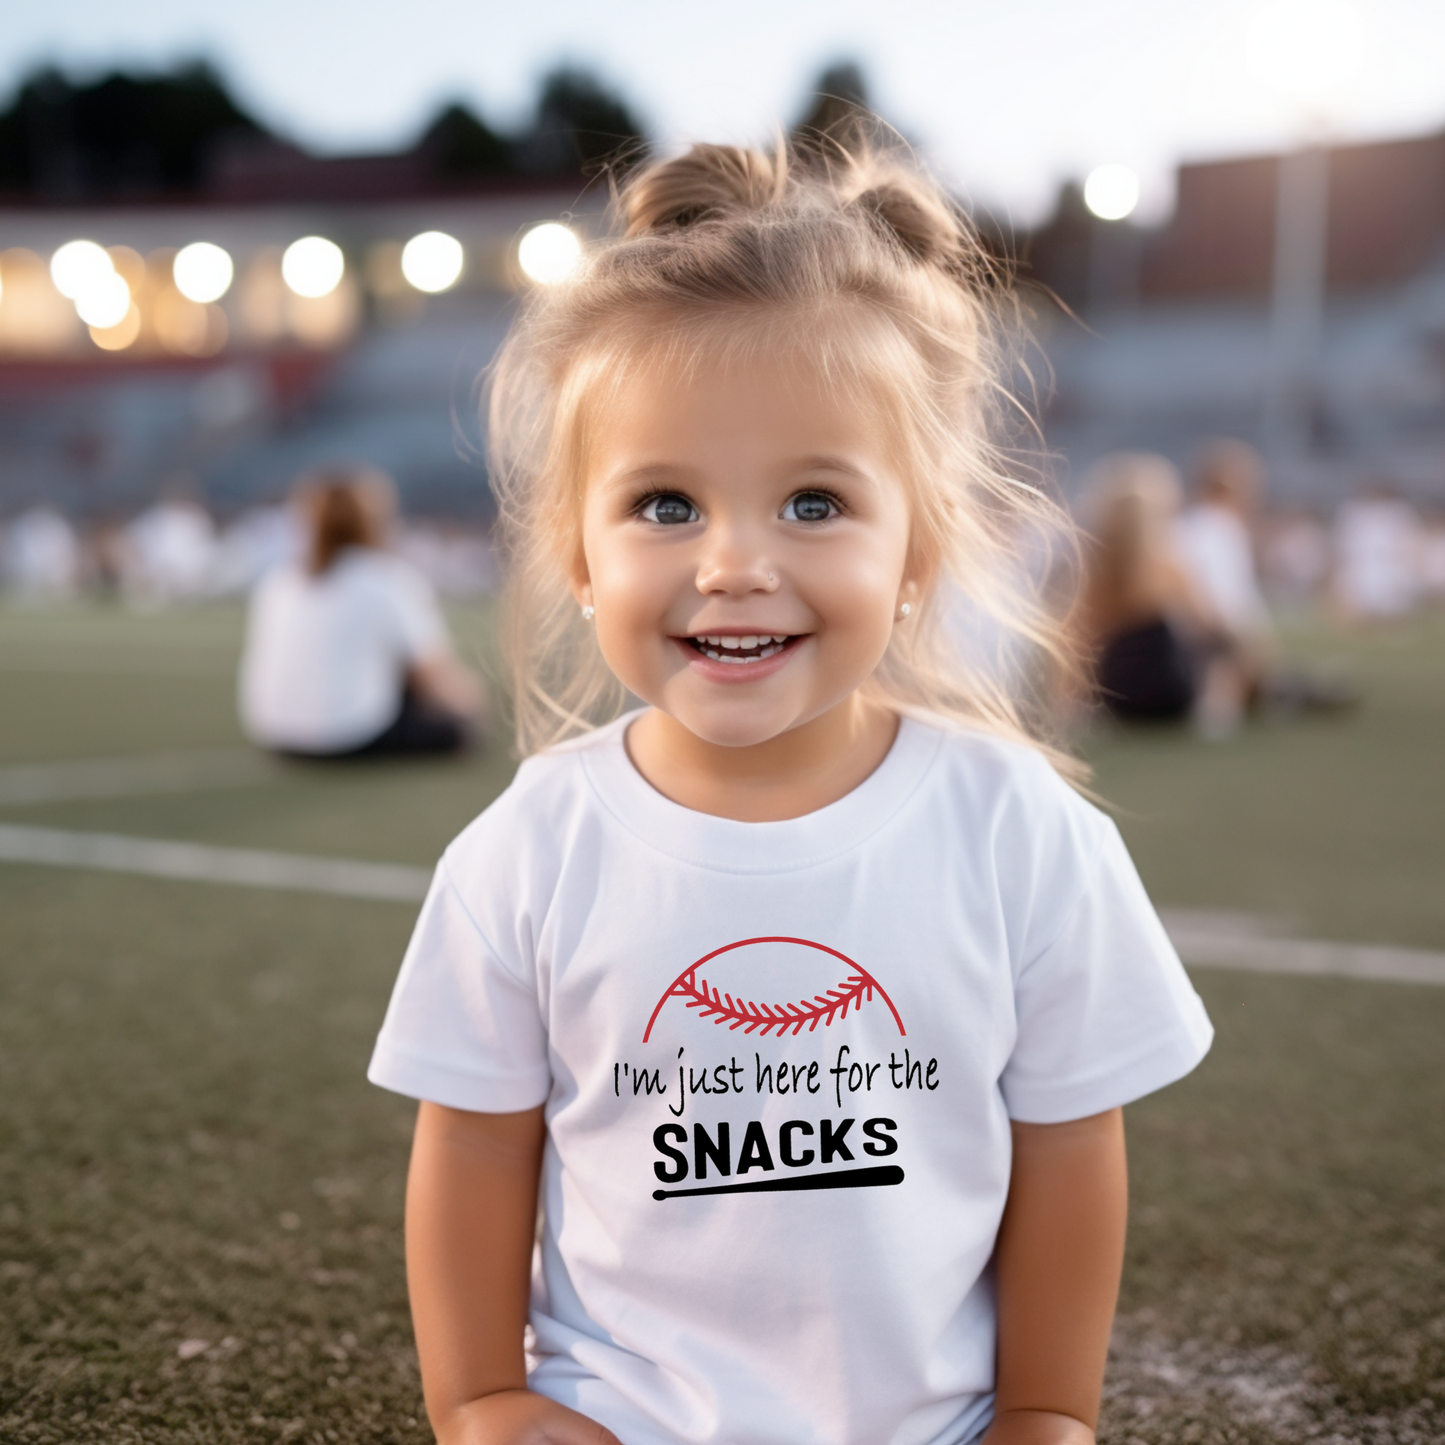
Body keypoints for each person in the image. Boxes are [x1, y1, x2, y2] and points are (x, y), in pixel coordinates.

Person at [367, 141, 1212, 1445]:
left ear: (919, 550)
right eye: (663, 505)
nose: (732, 565)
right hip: (618, 1416)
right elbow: (477, 1141)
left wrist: (1047, 1409)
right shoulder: (530, 844)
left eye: (814, 501)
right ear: (578, 558)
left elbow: (1065, 1146)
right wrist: (481, 1395)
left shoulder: (1019, 828)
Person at [238, 467, 483, 757]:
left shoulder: (278, 581)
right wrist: (473, 704)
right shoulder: (387, 580)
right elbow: (435, 679)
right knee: (454, 726)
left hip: (276, 733)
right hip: (353, 733)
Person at [1076, 453, 1237, 726]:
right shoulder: (1169, 565)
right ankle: (1218, 708)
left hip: (1116, 697)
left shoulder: (1095, 573)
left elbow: (1077, 643)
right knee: (1220, 643)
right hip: (1171, 691)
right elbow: (1212, 627)